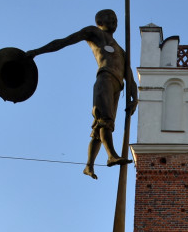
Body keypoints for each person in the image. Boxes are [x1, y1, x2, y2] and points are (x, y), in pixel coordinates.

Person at [26, 9, 139, 180]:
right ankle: (111, 155)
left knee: (99, 129)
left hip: (118, 87)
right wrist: (36, 51)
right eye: (110, 17)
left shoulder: (121, 50)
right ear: (99, 20)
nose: (114, 20)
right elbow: (63, 42)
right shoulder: (95, 33)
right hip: (105, 79)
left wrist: (135, 97)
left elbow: (129, 76)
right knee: (104, 121)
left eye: (116, 18)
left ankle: (89, 166)